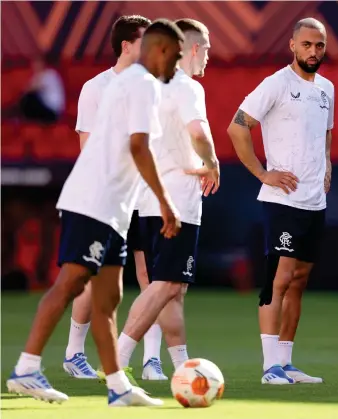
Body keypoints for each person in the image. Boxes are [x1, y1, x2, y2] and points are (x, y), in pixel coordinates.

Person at [6, 19, 185, 406]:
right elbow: (139, 147)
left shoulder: (128, 82)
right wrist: (166, 203)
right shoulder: (142, 85)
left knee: (109, 297)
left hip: (113, 206)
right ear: (159, 50)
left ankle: (118, 387)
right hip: (95, 201)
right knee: (70, 283)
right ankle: (26, 369)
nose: (179, 62)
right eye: (176, 54)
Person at [64, 14, 171, 382]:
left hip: (144, 197)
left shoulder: (151, 86)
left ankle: (151, 359)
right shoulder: (96, 88)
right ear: (126, 45)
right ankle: (73, 353)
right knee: (91, 276)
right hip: (108, 197)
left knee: (152, 278)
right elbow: (87, 146)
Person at [227, 17, 334, 385]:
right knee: (279, 277)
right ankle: (269, 366)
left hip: (313, 200)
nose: (313, 51)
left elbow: (326, 133)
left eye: (319, 45)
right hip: (282, 198)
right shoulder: (276, 84)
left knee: (300, 279)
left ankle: (286, 363)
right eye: (307, 44)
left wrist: (327, 163)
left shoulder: (327, 89)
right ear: (292, 45)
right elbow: (237, 127)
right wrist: (262, 173)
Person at [115, 18, 219, 374]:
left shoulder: (148, 86)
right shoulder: (186, 87)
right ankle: (119, 356)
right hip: (176, 200)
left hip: (146, 197)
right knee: (164, 285)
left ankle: (180, 367)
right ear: (192, 49)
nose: (209, 56)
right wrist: (212, 161)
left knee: (174, 288)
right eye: (206, 48)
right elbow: (199, 133)